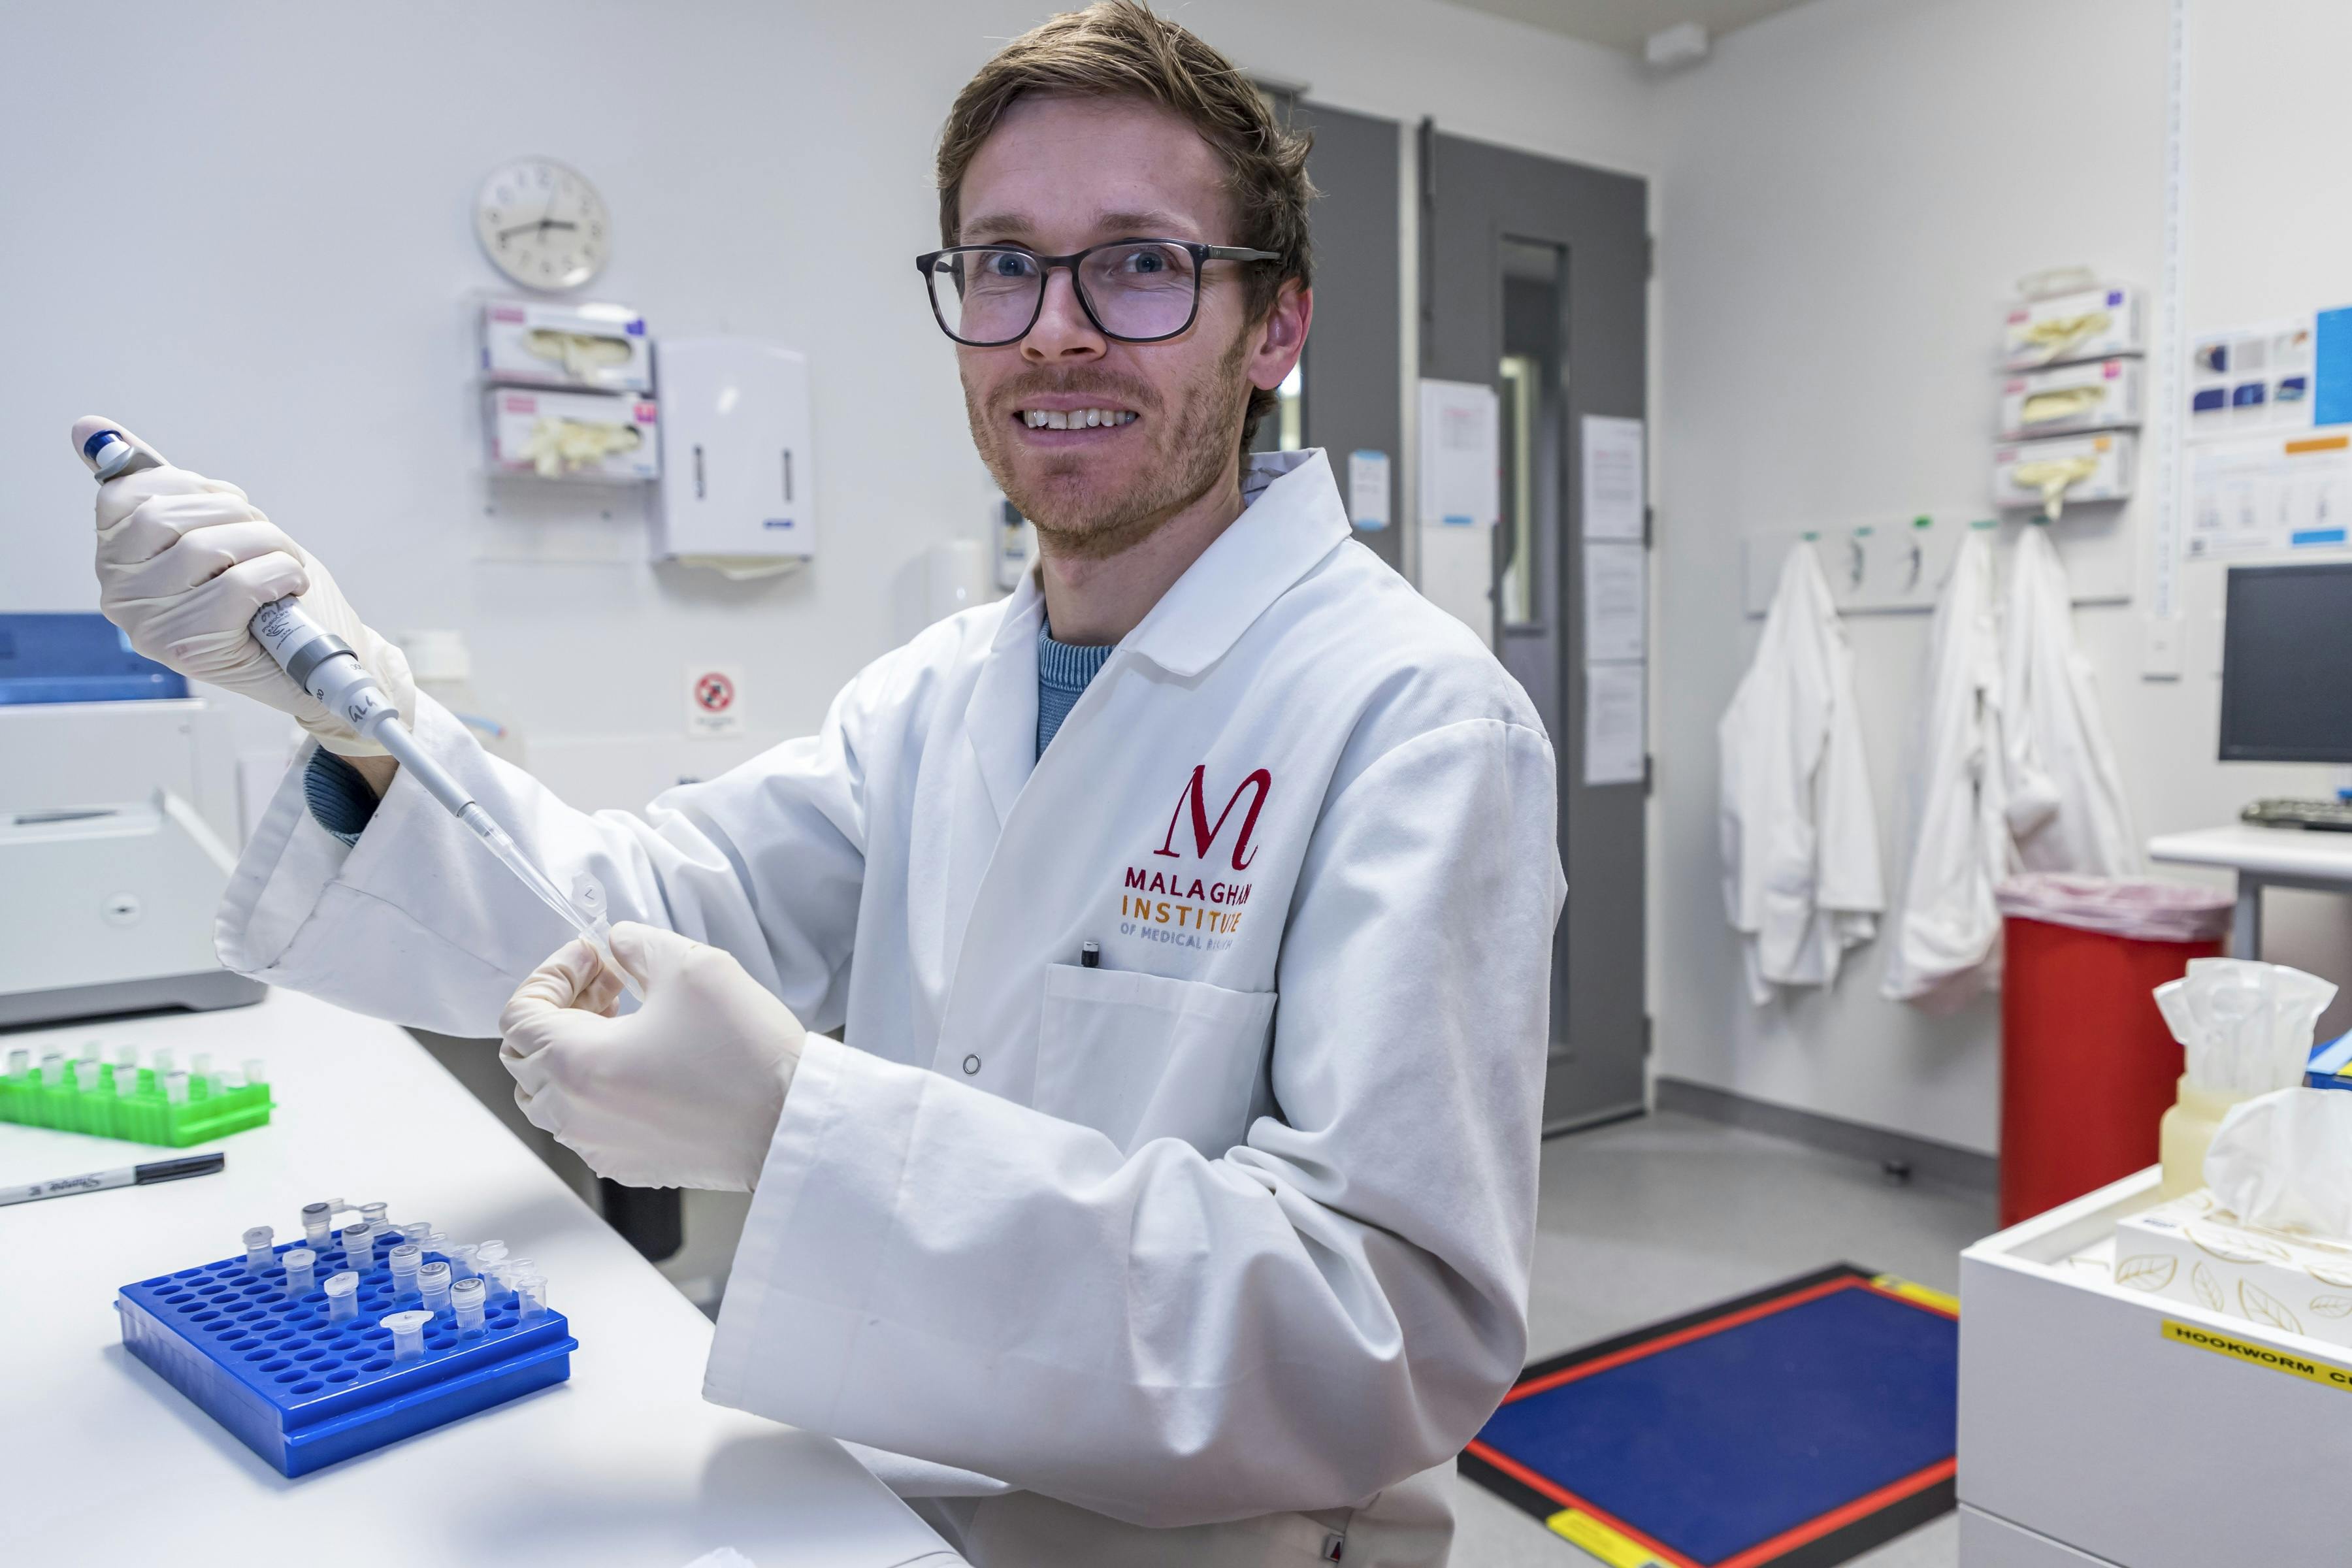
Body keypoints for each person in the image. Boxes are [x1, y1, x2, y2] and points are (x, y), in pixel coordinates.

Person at [78, 4, 1562, 1561]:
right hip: (881, 1487)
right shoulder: (932, 696)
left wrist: (797, 1124)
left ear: (1274, 327)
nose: (1057, 328)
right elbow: (628, 918)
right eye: (1003, 264)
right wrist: (356, 708)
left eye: (1140, 261)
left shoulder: (1414, 718)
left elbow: (1377, 1335)